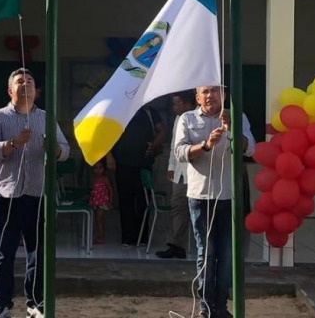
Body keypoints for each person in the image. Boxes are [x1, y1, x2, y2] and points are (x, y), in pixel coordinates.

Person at [0, 68, 70, 318]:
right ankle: (2, 306)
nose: (26, 85)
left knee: (39, 252)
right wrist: (13, 143)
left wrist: (53, 150)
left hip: (36, 192)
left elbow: (65, 150)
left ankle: (35, 303)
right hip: (6, 195)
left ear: (37, 91)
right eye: (19, 82)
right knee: (4, 253)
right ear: (10, 91)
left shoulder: (45, 118)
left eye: (30, 81)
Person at [174, 85, 255, 318]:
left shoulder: (237, 116)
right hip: (200, 197)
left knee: (228, 254)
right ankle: (205, 307)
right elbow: (180, 152)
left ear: (225, 95)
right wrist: (206, 146)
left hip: (230, 197)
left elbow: (251, 149)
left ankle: (222, 306)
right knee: (206, 253)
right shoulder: (186, 118)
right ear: (198, 97)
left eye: (216, 91)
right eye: (206, 92)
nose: (211, 96)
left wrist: (232, 129)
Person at [107, 103, 166, 246]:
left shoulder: (149, 111)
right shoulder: (118, 109)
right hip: (122, 163)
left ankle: (142, 238)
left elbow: (162, 130)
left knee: (143, 202)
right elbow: (106, 134)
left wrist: (154, 144)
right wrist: (109, 156)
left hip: (143, 164)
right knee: (125, 201)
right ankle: (128, 237)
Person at [156, 90, 197, 259]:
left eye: (176, 104)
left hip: (195, 174)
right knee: (177, 207)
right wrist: (171, 167)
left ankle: (205, 247)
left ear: (187, 104)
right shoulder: (177, 120)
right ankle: (175, 245)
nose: (173, 108)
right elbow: (174, 146)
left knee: (198, 211)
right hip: (180, 173)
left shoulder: (196, 119)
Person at [89, 159, 113, 244]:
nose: (98, 170)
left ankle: (101, 236)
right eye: (96, 168)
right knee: (98, 219)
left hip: (102, 202)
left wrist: (110, 201)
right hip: (96, 202)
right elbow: (94, 191)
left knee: (100, 219)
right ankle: (100, 235)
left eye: (100, 168)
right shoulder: (95, 179)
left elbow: (110, 189)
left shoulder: (105, 179)